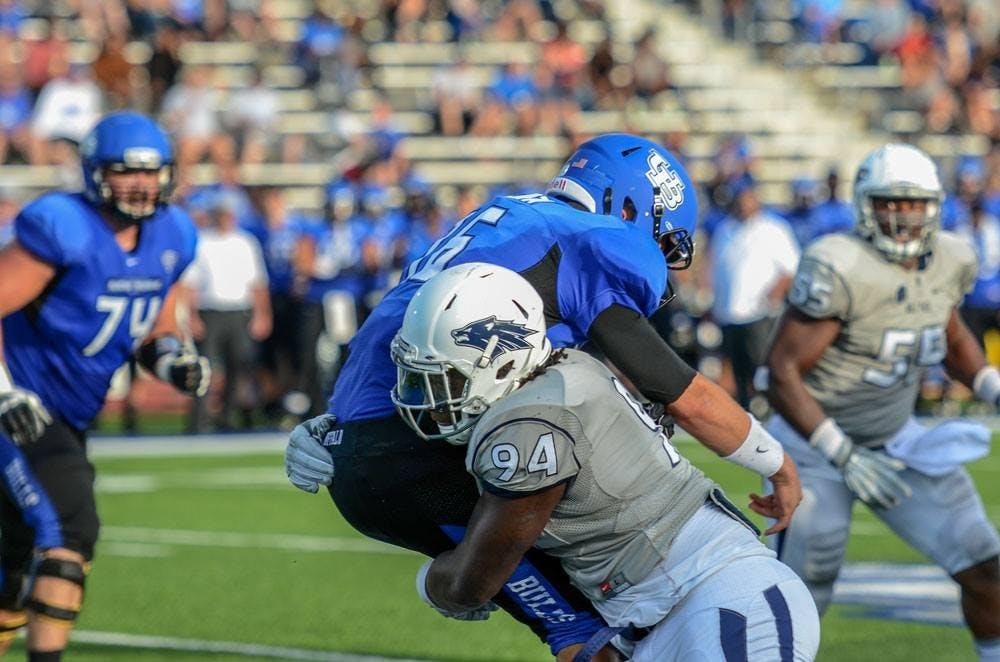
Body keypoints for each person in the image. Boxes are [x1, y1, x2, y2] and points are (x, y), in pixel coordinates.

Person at [285, 133, 803, 661]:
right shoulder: (586, 235)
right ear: (627, 204)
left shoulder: (503, 215)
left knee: (575, 620)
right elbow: (677, 390)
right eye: (661, 238)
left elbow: (401, 321)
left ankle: (447, 582)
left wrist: (336, 421)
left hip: (373, 439)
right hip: (420, 452)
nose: (663, 260)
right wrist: (776, 463)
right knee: (586, 627)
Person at [399, 263, 820, 662]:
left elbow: (472, 583)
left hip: (720, 597)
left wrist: (428, 583)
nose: (431, 401)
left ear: (501, 359)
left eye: (446, 378)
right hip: (663, 616)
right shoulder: (566, 368)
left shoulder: (529, 427)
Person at [764, 143, 1000, 662]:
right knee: (803, 590)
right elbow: (778, 374)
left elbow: (950, 332)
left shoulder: (953, 257)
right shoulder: (839, 263)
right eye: (890, 202)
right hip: (815, 449)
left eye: (913, 203)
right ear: (865, 205)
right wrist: (843, 453)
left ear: (933, 206)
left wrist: (989, 384)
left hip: (896, 439)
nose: (902, 215)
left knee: (986, 566)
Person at [0, 110, 210, 661]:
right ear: (96, 173)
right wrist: (3, 391)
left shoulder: (172, 234)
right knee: (69, 528)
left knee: (13, 563)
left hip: (67, 413)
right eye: (125, 172)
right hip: (21, 405)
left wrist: (172, 363)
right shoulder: (62, 226)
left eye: (151, 172)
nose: (141, 184)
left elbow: (155, 328)